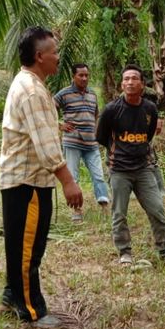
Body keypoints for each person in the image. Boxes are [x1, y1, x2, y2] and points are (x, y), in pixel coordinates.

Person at [0, 26, 83, 329]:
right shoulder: (31, 89)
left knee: (21, 244)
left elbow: (37, 129)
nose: (58, 58)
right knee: (28, 249)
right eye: (54, 52)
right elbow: (45, 144)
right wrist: (68, 180)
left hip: (26, 180)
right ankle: (31, 310)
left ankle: (11, 296)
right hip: (28, 182)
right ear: (39, 56)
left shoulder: (30, 84)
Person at [97, 64, 165, 265]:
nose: (130, 82)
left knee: (157, 210)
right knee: (119, 213)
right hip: (119, 170)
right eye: (126, 79)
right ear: (122, 84)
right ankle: (125, 253)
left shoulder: (149, 109)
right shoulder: (111, 110)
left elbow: (148, 136)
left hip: (144, 168)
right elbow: (101, 137)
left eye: (134, 78)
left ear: (142, 84)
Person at [54, 63, 110, 223]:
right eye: (81, 75)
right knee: (73, 177)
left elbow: (96, 115)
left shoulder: (92, 94)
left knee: (99, 175)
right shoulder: (64, 94)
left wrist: (97, 133)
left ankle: (105, 208)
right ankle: (76, 212)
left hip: (91, 143)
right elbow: (49, 108)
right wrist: (59, 125)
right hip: (72, 142)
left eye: (86, 75)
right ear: (74, 76)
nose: (84, 78)